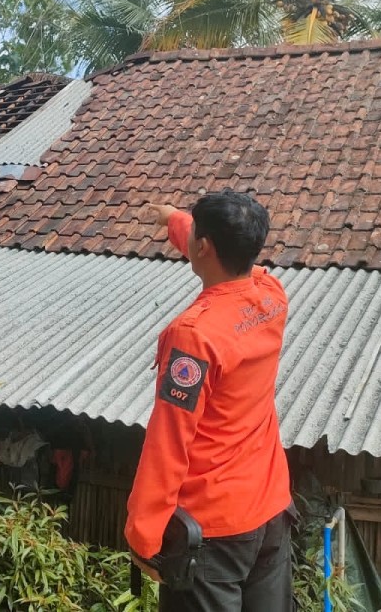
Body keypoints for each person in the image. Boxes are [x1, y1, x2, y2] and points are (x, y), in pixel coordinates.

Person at [125, 190, 292, 612]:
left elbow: (169, 441)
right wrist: (174, 220)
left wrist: (144, 536)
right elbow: (215, 250)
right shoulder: (271, 294)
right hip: (270, 510)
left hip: (213, 533)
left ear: (205, 246)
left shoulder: (194, 337)